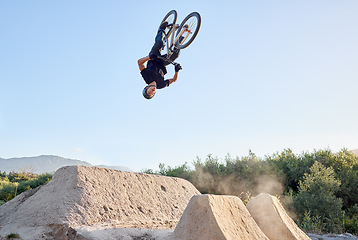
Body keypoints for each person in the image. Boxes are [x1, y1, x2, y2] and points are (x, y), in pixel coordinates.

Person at [138, 22, 183, 99]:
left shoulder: (147, 78)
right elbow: (174, 80)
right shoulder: (160, 85)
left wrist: (149, 57)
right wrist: (176, 71)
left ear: (146, 87)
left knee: (159, 43)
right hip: (162, 63)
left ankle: (162, 29)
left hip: (153, 58)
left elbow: (140, 63)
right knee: (175, 55)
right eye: (153, 93)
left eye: (149, 92)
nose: (152, 91)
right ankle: (180, 36)